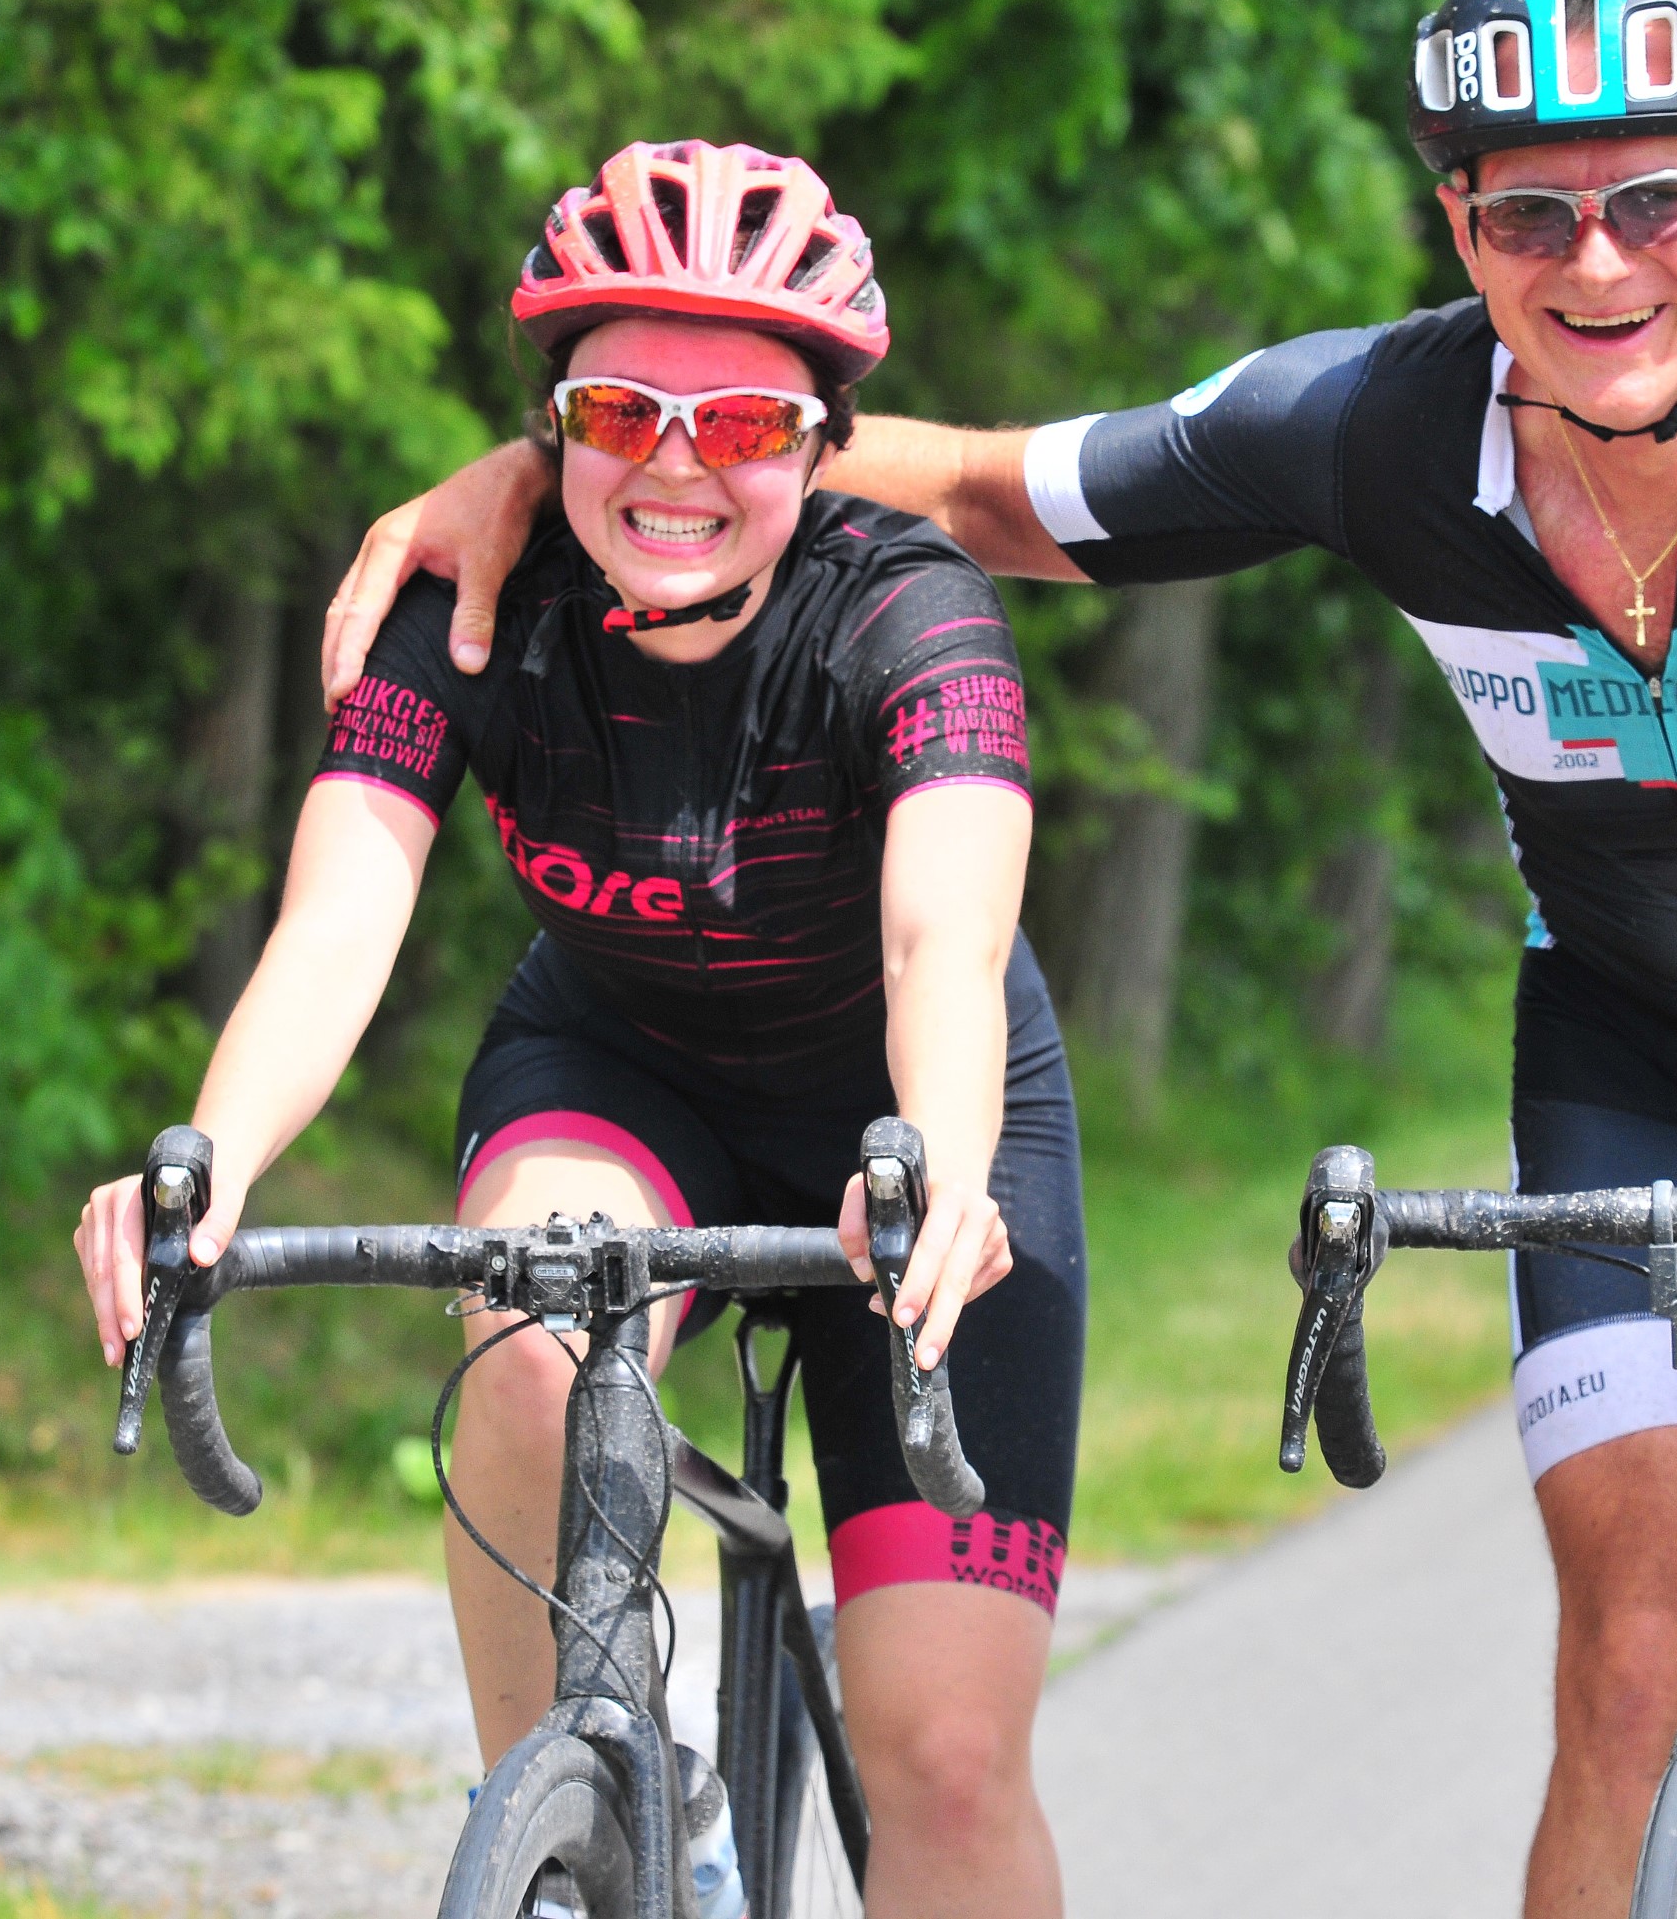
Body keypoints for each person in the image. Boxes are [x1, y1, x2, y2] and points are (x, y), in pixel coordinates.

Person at [323, 0, 1677, 1914]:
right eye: (1532, 212)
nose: (1596, 263)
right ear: (1461, 227)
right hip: (1634, 1049)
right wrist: (584, 456)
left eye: (1661, 198)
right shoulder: (1383, 426)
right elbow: (985, 491)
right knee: (1626, 1661)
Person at [74, 139, 1083, 1918]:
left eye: (745, 423)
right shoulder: (468, 609)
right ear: (553, 428)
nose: (676, 465)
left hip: (915, 1110)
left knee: (945, 1757)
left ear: (826, 444)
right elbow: (340, 915)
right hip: (622, 1071)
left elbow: (942, 933)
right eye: (622, 411)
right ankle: (586, 1821)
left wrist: (934, 1164)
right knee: (532, 1325)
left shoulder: (914, 614)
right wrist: (209, 1158)